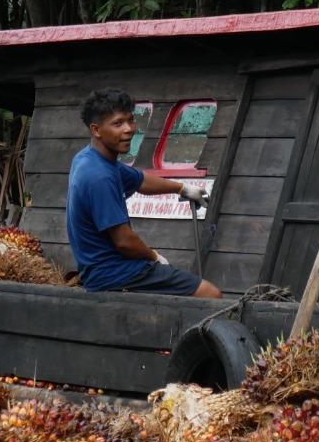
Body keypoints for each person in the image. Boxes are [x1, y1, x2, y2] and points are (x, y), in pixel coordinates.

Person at [67, 88, 223, 298]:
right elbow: (124, 242)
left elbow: (140, 180)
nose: (129, 129)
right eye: (118, 123)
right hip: (115, 273)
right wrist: (154, 257)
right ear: (96, 130)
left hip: (108, 270)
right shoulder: (99, 177)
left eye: (131, 120)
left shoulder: (91, 159)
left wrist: (183, 188)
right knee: (210, 294)